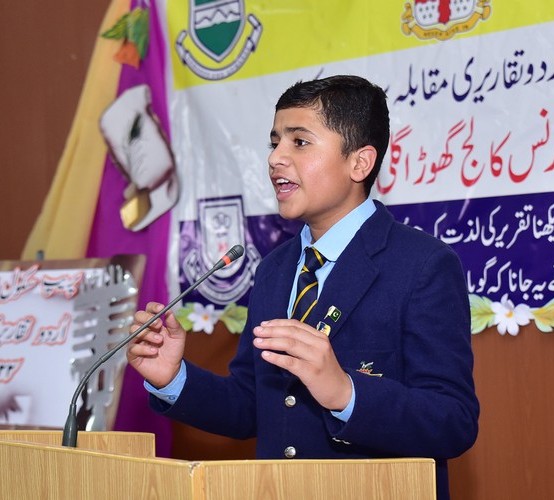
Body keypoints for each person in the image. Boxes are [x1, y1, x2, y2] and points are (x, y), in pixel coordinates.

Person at [127, 75, 479, 500]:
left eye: (299, 142)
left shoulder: (422, 265)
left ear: (360, 163)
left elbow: (453, 421)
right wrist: (174, 379)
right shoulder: (275, 268)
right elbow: (252, 405)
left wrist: (345, 392)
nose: (276, 158)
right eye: (274, 142)